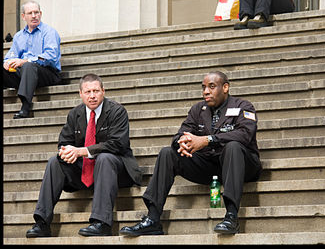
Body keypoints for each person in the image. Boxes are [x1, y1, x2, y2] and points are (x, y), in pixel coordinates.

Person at [119, 71, 262, 236]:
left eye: (211, 86)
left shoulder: (243, 106)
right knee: (167, 153)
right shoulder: (198, 109)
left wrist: (207, 139)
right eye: (204, 88)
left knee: (233, 146)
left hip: (242, 166)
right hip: (210, 167)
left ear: (225, 87)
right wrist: (183, 143)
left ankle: (231, 216)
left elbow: (245, 134)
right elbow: (179, 135)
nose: (206, 92)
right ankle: (152, 219)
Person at [26, 73, 142, 237]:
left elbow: (118, 144)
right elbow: (63, 142)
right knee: (55, 162)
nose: (92, 96)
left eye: (96, 91)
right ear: (81, 94)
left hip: (116, 171)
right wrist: (67, 153)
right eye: (88, 92)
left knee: (105, 157)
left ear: (104, 91)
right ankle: (42, 223)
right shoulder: (75, 114)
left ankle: (101, 223)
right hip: (86, 172)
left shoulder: (117, 111)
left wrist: (82, 151)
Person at [3, 0, 62, 119]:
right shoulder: (19, 36)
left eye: (36, 12)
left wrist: (26, 61)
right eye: (30, 13)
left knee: (28, 66)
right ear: (23, 16)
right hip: (26, 74)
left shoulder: (49, 32)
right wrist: (7, 62)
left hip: (47, 73)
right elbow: (11, 55)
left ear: (41, 13)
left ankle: (25, 107)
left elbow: (50, 56)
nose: (34, 16)